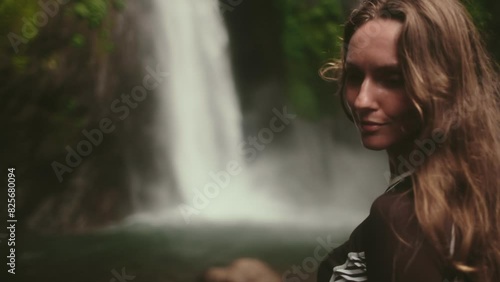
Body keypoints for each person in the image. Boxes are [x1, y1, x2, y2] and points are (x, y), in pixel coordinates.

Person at [317, 0, 500, 281]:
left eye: (391, 79)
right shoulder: (478, 192)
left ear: (444, 81)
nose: (362, 100)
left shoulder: (402, 218)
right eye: (354, 76)